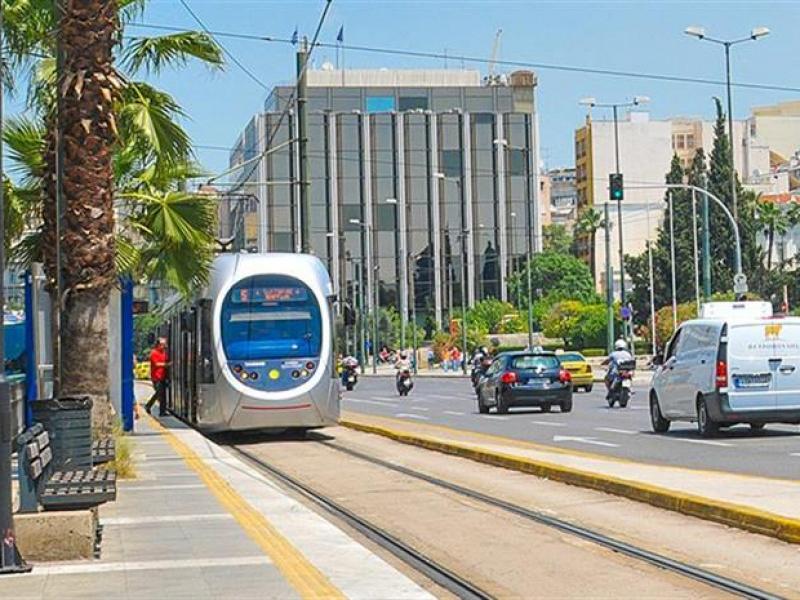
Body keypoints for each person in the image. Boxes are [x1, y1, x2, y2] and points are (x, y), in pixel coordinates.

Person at [146, 337, 170, 416]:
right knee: (159, 393)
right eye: (162, 345)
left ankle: (162, 411)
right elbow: (156, 364)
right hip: (156, 377)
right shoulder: (154, 353)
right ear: (158, 345)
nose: (164, 346)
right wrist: (166, 365)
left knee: (162, 394)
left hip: (163, 377)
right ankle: (148, 405)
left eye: (164, 344)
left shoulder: (164, 353)